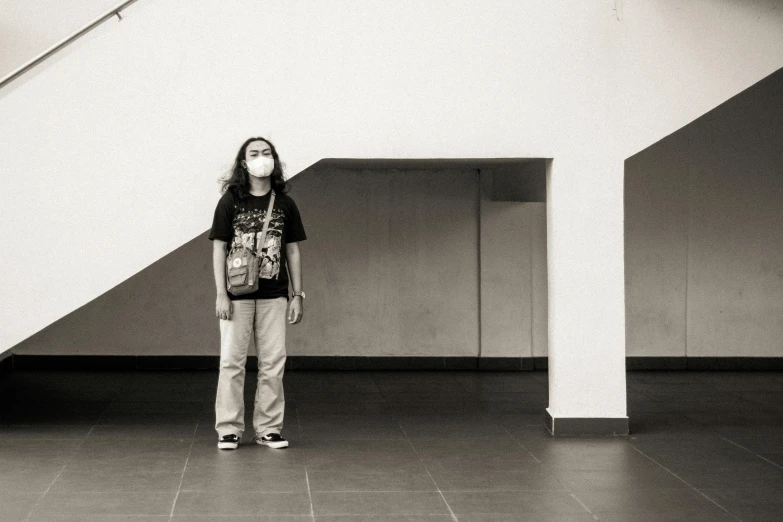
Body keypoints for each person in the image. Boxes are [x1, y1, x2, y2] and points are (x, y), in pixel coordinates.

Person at [208, 137, 307, 450]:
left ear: (274, 160)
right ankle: (229, 429)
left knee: (273, 363)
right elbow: (219, 248)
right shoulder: (231, 200)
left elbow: (292, 251)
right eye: (254, 153)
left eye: (266, 153)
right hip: (236, 295)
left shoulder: (285, 204)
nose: (260, 158)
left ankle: (268, 429)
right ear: (243, 161)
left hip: (274, 294)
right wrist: (220, 294)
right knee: (231, 363)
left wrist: (297, 294)